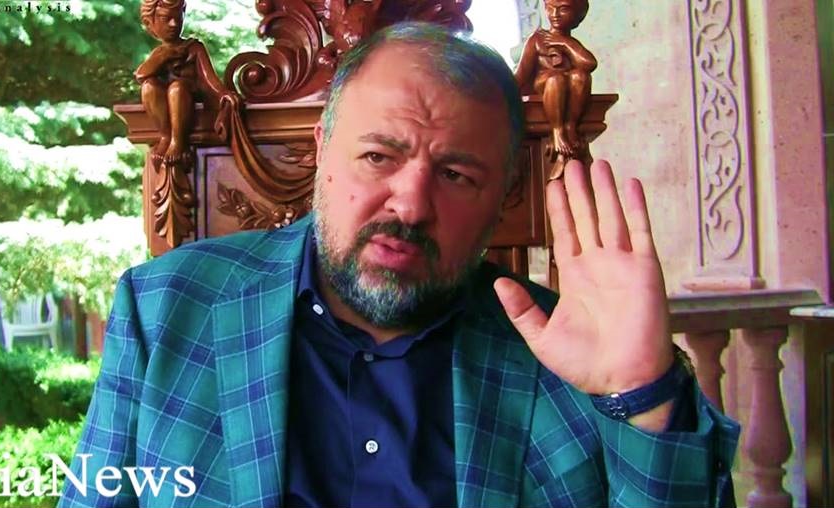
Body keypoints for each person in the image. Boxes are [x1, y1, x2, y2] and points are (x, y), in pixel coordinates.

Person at [60, 22, 739, 508]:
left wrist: (643, 396)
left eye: (456, 174)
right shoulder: (166, 307)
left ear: (504, 195)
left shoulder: (573, 356)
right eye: (378, 156)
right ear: (322, 150)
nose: (410, 205)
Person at [135, 0, 228, 166]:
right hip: (167, 105)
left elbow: (210, 79)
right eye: (166, 19)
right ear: (150, 23)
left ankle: (178, 141)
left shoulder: (194, 47)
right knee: (148, 87)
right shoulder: (159, 52)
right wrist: (163, 57)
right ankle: (166, 136)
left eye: (178, 18)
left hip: (184, 98)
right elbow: (141, 75)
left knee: (177, 88)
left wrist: (225, 94)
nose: (174, 24)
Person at [513, 0, 597, 161]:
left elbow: (589, 64)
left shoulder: (571, 43)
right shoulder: (537, 39)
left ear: (577, 15)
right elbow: (521, 75)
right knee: (556, 79)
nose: (555, 15)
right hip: (546, 84)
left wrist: (564, 43)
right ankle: (557, 131)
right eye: (550, 8)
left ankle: (570, 126)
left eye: (563, 9)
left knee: (581, 76)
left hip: (568, 91)